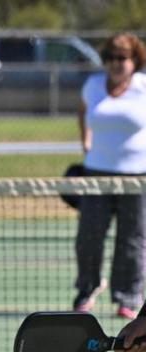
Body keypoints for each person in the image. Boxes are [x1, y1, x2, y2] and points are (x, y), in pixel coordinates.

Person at [73, 32, 146, 319]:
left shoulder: (144, 88)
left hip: (137, 176)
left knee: (133, 239)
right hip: (96, 173)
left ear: (135, 60)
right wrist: (86, 144)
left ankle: (128, 296)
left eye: (124, 58)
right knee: (88, 235)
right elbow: (83, 112)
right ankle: (86, 288)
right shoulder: (92, 86)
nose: (117, 64)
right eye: (112, 57)